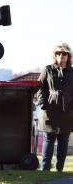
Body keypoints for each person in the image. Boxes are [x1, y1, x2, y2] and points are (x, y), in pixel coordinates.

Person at [37, 43, 73, 171]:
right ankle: (45, 170)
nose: (61, 56)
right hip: (50, 110)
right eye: (58, 53)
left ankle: (59, 170)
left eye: (64, 53)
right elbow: (40, 87)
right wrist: (43, 104)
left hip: (67, 111)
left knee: (63, 141)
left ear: (68, 56)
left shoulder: (72, 72)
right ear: (55, 55)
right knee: (48, 139)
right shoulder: (48, 69)